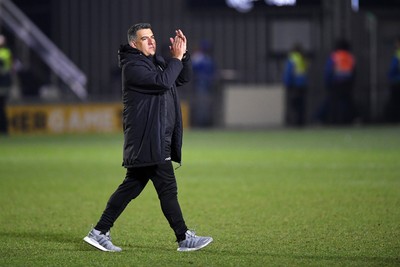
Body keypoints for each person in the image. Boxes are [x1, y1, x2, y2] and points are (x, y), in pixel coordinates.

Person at [83, 23, 213, 252]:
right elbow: (163, 82)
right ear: (134, 43)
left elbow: (181, 79)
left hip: (153, 138)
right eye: (145, 38)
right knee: (167, 188)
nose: (152, 41)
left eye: (152, 37)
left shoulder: (154, 61)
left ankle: (99, 231)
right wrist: (175, 59)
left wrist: (184, 56)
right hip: (149, 139)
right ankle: (184, 237)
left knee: (131, 187)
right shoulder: (133, 67)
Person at [323, 38, 356, 124]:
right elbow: (354, 71)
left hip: (335, 83)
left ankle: (334, 121)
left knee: (333, 103)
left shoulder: (335, 56)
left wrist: (328, 82)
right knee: (346, 103)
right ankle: (347, 120)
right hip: (347, 84)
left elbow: (329, 71)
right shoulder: (350, 57)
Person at [191, 40, 216, 127]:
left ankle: (206, 122)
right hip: (200, 83)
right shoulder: (198, 57)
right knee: (201, 104)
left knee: (206, 104)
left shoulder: (207, 58)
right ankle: (200, 123)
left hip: (208, 84)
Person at [283, 43, 308, 127]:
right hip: (303, 84)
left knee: (294, 104)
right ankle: (301, 122)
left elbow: (289, 72)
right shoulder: (302, 58)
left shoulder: (292, 58)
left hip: (294, 84)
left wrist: (287, 83)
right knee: (301, 104)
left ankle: (295, 122)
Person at [0, 34, 13, 135]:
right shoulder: (6, 52)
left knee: (1, 109)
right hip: (4, 85)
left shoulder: (4, 53)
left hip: (3, 86)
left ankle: (4, 129)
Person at [385, 36, 400, 122]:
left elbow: (393, 69)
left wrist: (390, 77)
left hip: (397, 81)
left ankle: (395, 119)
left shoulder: (398, 54)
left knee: (396, 102)